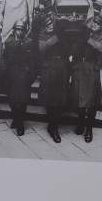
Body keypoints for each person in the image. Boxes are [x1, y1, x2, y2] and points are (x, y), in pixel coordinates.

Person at [69, 16, 102, 143]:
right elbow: (73, 49)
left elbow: (101, 48)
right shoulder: (85, 33)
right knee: (76, 98)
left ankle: (89, 128)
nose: (95, 25)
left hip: (91, 70)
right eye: (94, 22)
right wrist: (80, 38)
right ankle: (81, 122)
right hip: (79, 68)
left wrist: (88, 39)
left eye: (98, 23)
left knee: (91, 103)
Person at [36, 11, 68, 143]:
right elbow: (42, 48)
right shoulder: (42, 35)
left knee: (59, 101)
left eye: (51, 23)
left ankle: (54, 126)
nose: (49, 26)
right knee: (50, 101)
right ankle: (52, 126)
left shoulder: (59, 33)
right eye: (47, 24)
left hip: (60, 68)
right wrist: (56, 37)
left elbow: (67, 50)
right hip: (48, 69)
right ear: (43, 25)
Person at [2, 20, 34, 136]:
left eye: (22, 30)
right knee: (12, 100)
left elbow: (32, 60)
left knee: (23, 101)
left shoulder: (28, 42)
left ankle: (20, 124)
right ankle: (16, 118)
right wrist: (5, 69)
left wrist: (30, 73)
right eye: (18, 29)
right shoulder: (9, 42)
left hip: (23, 75)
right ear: (15, 29)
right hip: (12, 75)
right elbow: (4, 57)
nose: (20, 32)